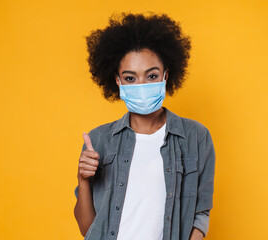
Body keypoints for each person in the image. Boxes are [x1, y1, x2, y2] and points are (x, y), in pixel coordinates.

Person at [73, 12, 216, 240]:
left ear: (165, 76)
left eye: (151, 76)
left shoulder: (196, 137)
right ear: (118, 81)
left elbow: (201, 213)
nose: (141, 85)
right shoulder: (98, 140)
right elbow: (87, 230)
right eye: (130, 78)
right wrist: (83, 180)